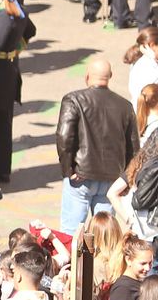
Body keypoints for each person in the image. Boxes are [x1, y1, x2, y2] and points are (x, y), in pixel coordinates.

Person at [57, 57, 141, 227]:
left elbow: (64, 137)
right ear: (110, 75)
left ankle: (73, 255)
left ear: (87, 76)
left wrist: (68, 169)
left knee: (71, 232)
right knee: (105, 234)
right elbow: (133, 146)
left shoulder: (74, 100)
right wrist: (127, 179)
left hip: (81, 174)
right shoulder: (125, 106)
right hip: (112, 178)